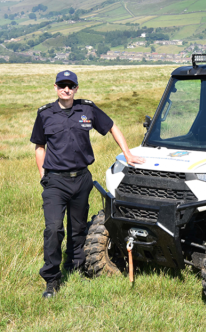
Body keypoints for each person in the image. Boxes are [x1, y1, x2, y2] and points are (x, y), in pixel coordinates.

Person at [30, 70, 144, 299]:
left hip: (82, 179)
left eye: (71, 85)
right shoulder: (45, 114)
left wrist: (128, 153)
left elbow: (112, 126)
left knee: (78, 228)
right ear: (55, 87)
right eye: (62, 85)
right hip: (55, 181)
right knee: (53, 229)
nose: (66, 89)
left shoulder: (87, 109)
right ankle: (51, 279)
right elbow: (39, 147)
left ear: (76, 88)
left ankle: (76, 268)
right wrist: (44, 175)